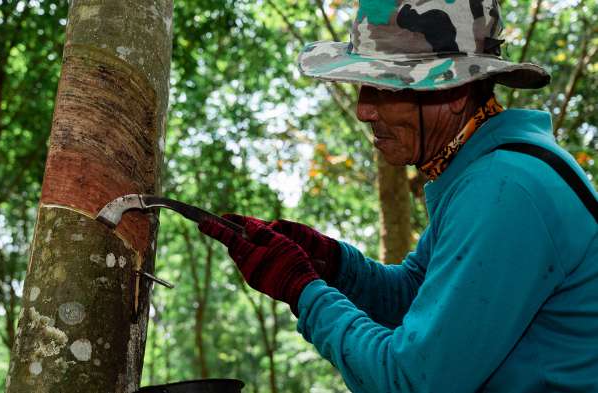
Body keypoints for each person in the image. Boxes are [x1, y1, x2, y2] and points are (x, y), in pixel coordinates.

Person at [198, 1, 598, 392]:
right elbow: (414, 297)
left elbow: (410, 380)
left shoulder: (504, 188)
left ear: (454, 90)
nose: (362, 110)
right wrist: (332, 263)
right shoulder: (485, 173)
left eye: (382, 87)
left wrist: (300, 288)